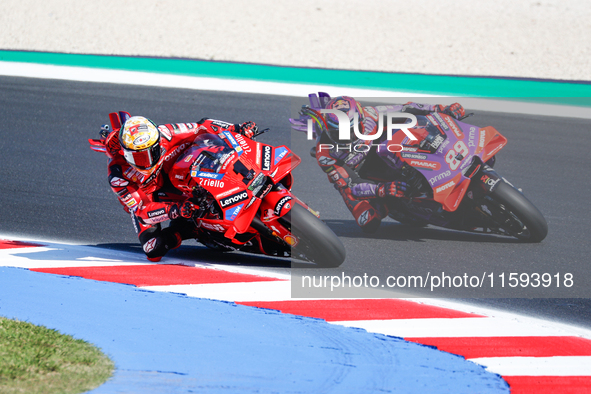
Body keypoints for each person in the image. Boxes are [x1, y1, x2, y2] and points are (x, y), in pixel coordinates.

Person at [290, 94, 465, 233]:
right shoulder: (326, 153)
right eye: (339, 133)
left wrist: (441, 109)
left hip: (390, 151)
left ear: (359, 119)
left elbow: (407, 108)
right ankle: (394, 203)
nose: (347, 137)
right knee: (368, 221)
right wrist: (381, 189)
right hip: (364, 178)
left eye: (351, 130)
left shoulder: (371, 115)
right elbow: (351, 186)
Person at [100, 113, 258, 261]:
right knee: (153, 249)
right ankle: (189, 228)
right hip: (151, 199)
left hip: (180, 175)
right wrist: (175, 210)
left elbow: (202, 126)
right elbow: (143, 211)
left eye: (150, 153)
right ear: (125, 153)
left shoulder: (166, 133)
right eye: (138, 157)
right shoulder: (118, 175)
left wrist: (236, 128)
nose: (146, 161)